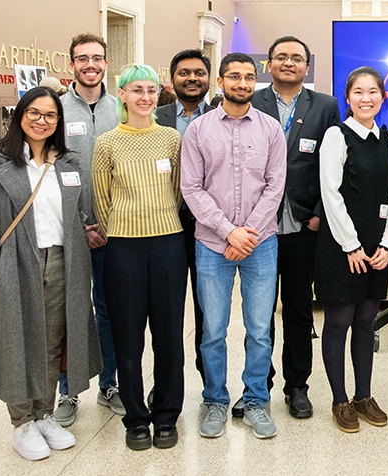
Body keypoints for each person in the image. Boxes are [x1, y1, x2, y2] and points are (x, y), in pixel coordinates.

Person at [0, 87, 102, 461]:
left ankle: (44, 414)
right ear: (20, 114)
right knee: (18, 342)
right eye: (35, 113)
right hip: (15, 263)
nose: (42, 121)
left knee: (53, 343)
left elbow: (73, 214)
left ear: (58, 121)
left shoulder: (68, 163)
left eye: (50, 115)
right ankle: (21, 421)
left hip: (64, 262)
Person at [181, 53, 287, 440]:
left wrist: (248, 233)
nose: (242, 83)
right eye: (234, 77)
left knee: (260, 329)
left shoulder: (271, 129)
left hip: (261, 244)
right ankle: (215, 400)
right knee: (213, 329)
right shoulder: (198, 130)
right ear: (221, 81)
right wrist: (228, 232)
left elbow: (276, 186)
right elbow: (191, 188)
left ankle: (256, 400)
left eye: (247, 77)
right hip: (212, 244)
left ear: (254, 81)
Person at [92, 64, 186, 451]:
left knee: (168, 335)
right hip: (123, 247)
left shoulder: (170, 139)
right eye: (136, 90)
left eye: (151, 90)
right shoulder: (107, 142)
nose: (145, 97)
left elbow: (179, 192)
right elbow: (102, 199)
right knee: (128, 336)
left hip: (168, 244)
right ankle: (135, 418)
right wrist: (121, 226)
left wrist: (160, 218)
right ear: (123, 96)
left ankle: (166, 415)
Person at [250, 36, 341, 420]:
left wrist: (322, 211)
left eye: (297, 58)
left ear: (308, 67)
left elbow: (336, 161)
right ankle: (259, 384)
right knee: (259, 311)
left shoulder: (325, 106)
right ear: (268, 64)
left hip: (305, 223)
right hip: (258, 224)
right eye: (281, 57)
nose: (289, 62)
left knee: (300, 309)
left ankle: (297, 386)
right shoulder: (252, 102)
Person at [314, 66, 388, 433]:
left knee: (366, 322)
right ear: (347, 98)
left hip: (376, 248)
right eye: (358, 92)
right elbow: (331, 195)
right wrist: (351, 246)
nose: (366, 98)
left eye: (373, 92)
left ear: (383, 97)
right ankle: (339, 400)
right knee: (339, 322)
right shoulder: (336, 136)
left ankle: (363, 396)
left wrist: (386, 243)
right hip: (340, 248)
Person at [56, 33, 122, 427]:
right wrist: (81, 225)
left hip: (115, 234)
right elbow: (51, 171)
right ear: (72, 65)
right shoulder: (57, 110)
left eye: (97, 58)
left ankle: (109, 384)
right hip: (70, 232)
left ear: (106, 63)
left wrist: (109, 225)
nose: (91, 64)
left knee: (110, 312)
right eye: (83, 58)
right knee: (71, 312)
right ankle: (67, 390)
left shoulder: (121, 108)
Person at [156, 49, 213, 388]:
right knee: (166, 311)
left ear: (209, 79)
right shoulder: (154, 115)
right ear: (172, 78)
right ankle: (166, 387)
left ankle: (211, 383)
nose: (192, 78)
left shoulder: (223, 116)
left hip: (207, 227)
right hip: (165, 226)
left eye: (199, 72)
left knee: (209, 311)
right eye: (184, 72)